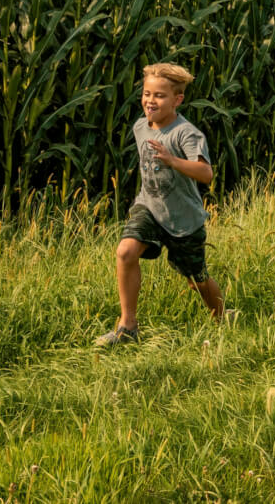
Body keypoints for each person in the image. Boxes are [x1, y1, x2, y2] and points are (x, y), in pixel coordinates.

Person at [96, 62, 225, 346]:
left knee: (197, 281)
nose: (150, 101)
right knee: (126, 251)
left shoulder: (186, 133)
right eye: (146, 94)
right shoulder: (141, 126)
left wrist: (172, 160)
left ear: (177, 99)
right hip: (150, 208)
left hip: (184, 220)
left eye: (159, 96)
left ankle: (224, 321)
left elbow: (206, 173)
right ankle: (127, 327)